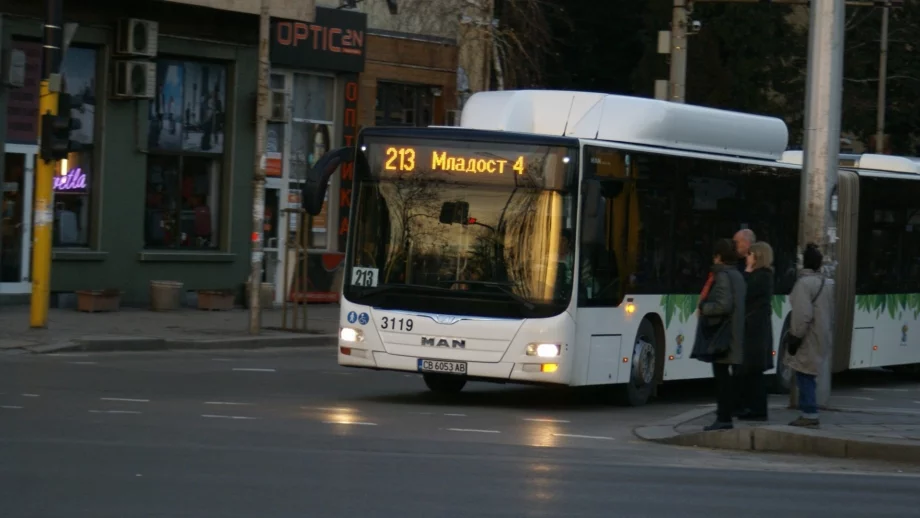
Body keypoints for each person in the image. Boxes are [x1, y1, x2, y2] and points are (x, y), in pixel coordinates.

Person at [691, 238, 746, 431]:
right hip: (733, 334)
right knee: (726, 378)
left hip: (723, 336)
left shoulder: (722, 276)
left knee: (721, 378)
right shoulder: (737, 275)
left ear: (719, 257)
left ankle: (723, 418)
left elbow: (724, 305)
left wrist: (705, 308)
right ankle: (725, 416)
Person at [784, 243, 834, 428]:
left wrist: (795, 337)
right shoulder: (826, 283)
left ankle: (809, 413)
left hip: (808, 336)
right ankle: (809, 413)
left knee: (804, 374)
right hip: (821, 334)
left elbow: (802, 315)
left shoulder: (803, 284)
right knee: (809, 374)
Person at [735, 241, 775, 421]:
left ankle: (756, 410)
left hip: (755, 333)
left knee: (753, 373)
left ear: (758, 256)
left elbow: (742, 292)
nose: (747, 257)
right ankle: (749, 408)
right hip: (753, 331)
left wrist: (747, 271)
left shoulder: (761, 277)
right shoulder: (761, 276)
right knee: (750, 372)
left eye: (750, 254)